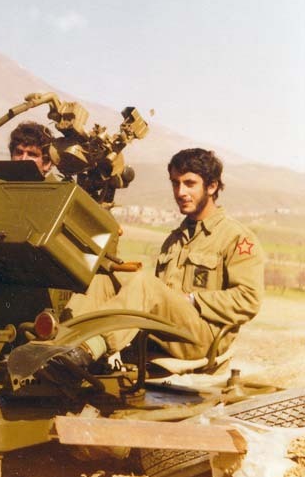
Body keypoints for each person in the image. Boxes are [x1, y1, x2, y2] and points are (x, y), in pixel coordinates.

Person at [58, 147, 264, 370]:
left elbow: (249, 299)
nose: (180, 192)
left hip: (202, 338)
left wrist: (193, 299)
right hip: (166, 330)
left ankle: (88, 349)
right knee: (105, 279)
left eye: (189, 183)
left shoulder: (235, 237)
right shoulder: (174, 239)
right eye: (175, 183)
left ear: (212, 186)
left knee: (145, 284)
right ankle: (63, 341)